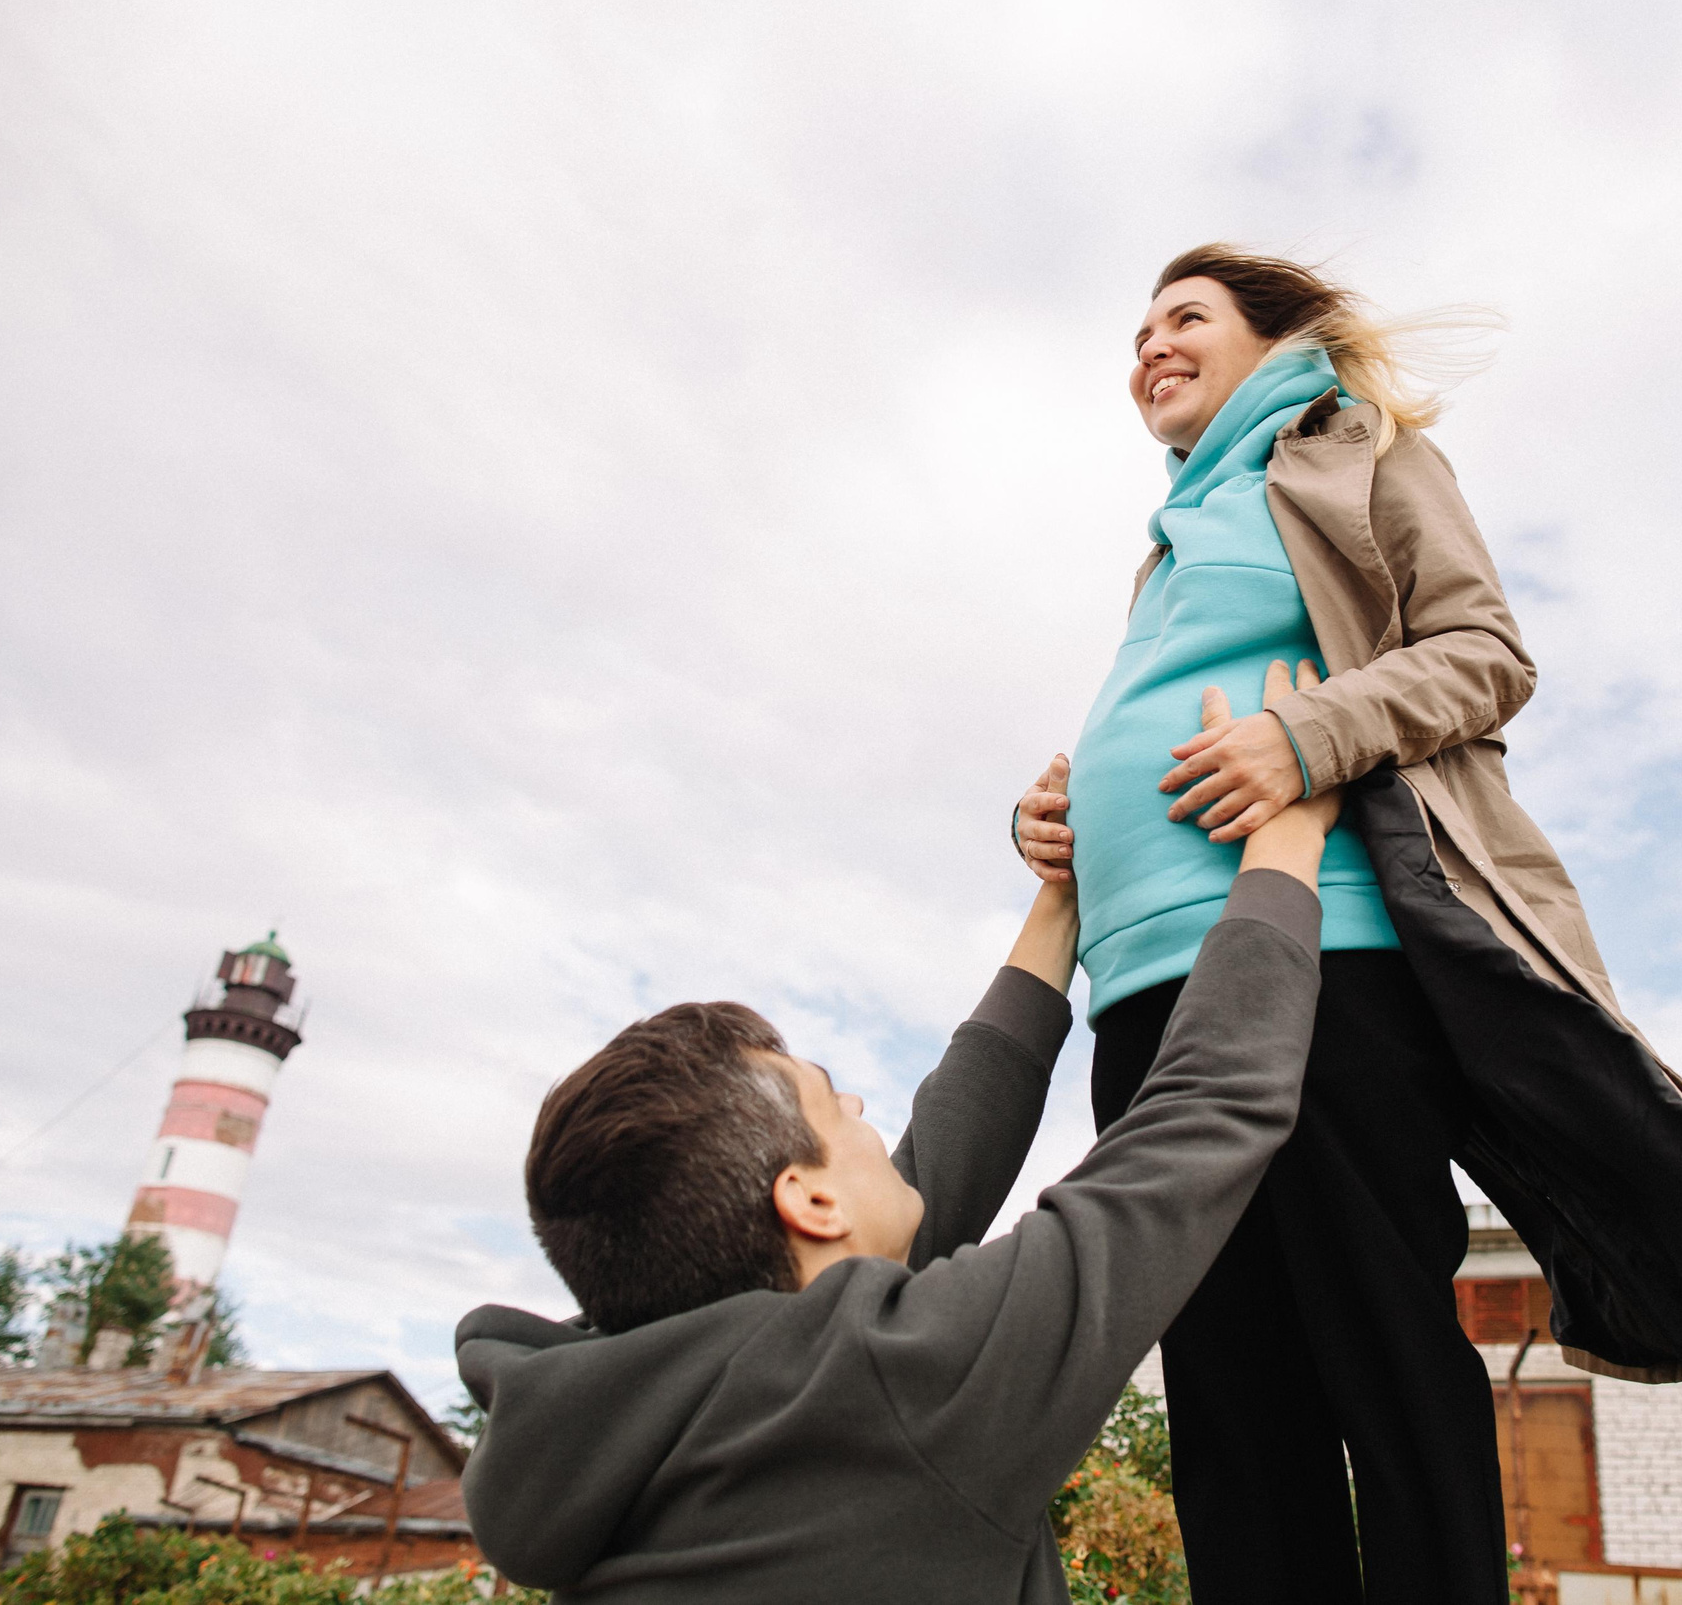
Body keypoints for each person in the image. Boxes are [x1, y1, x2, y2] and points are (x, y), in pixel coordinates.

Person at [1013, 245, 1682, 1604]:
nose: (1149, 345)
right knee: (1224, 1376)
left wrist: (1305, 736)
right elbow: (1170, 716)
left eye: (1185, 317)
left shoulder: (1356, 449)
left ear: (1279, 341)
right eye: (1136, 329)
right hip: (1137, 986)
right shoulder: (1169, 541)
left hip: (1325, 955)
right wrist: (1068, 809)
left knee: (1373, 1328)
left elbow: (1486, 652)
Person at [455, 666, 1343, 1605]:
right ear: (807, 1198)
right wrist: (1288, 839)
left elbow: (928, 1180)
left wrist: (1061, 902)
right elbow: (1202, 1116)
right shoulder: (899, 1386)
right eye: (832, 1103)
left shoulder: (603, 1435)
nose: (869, 1114)